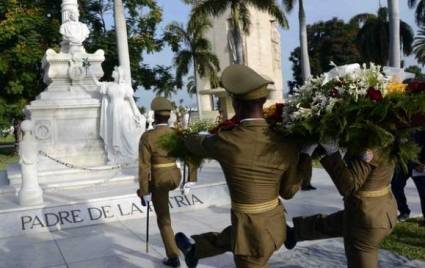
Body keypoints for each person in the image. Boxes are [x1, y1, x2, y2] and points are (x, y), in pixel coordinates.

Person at [174, 64, 312, 268]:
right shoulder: (286, 141)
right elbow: (288, 191)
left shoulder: (226, 141)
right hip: (277, 228)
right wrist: (306, 155)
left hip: (249, 237)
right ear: (264, 101)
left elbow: (191, 143)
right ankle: (196, 248)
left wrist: (198, 135)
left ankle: (195, 249)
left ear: (236, 105)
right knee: (234, 238)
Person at [285, 144, 398, 268]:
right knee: (333, 223)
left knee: (361, 259)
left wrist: (332, 152)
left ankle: (296, 233)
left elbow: (348, 186)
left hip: (367, 220)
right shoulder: (384, 138)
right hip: (381, 209)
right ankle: (295, 233)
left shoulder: (368, 145)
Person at [137, 97, 197, 267]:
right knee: (148, 193)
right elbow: (190, 155)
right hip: (175, 177)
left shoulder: (147, 137)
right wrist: (190, 180)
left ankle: (173, 257)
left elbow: (144, 167)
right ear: (169, 115)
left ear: (155, 116)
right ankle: (142, 193)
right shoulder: (177, 134)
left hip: (159, 181)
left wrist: (146, 191)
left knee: (164, 219)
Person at [93, 66, 145, 164]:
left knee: (124, 132)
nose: (113, 71)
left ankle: (127, 154)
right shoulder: (109, 85)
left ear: (119, 74)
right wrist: (88, 70)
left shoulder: (125, 87)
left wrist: (136, 113)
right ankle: (115, 155)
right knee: (113, 132)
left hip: (122, 110)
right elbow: (97, 84)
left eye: (115, 71)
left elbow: (131, 100)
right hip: (111, 110)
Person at [391, 130, 425, 225]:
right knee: (396, 186)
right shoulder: (399, 124)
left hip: (418, 164)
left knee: (424, 192)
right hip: (402, 163)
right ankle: (404, 212)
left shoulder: (420, 122)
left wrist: (423, 162)